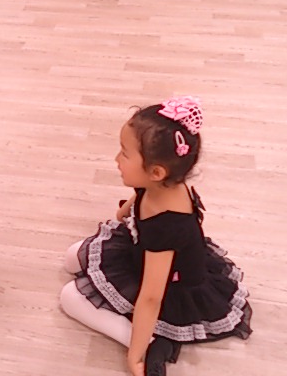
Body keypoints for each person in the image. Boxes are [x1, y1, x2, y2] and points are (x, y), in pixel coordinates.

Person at [59, 96, 252, 375]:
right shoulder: (161, 182)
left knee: (70, 298)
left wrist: (135, 356)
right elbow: (131, 205)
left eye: (124, 154)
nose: (116, 159)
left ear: (156, 172)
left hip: (170, 287)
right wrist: (127, 208)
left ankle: (151, 343)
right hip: (140, 254)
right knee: (71, 258)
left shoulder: (167, 227)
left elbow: (151, 297)